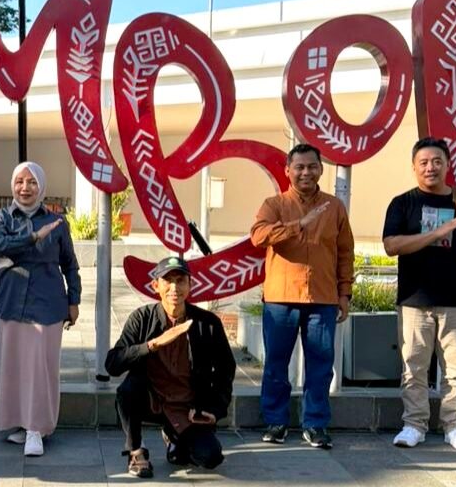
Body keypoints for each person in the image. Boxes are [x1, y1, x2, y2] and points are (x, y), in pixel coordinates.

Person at [382, 136, 456, 452]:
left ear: (448, 165)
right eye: (423, 162)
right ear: (413, 167)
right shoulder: (402, 203)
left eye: (437, 161)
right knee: (413, 366)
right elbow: (392, 245)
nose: (430, 167)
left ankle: (455, 426)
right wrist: (436, 233)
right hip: (414, 299)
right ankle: (414, 424)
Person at [249, 143, 354, 449]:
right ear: (288, 171)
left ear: (321, 169)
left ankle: (315, 424)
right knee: (276, 364)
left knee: (320, 365)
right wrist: (298, 225)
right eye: (299, 167)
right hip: (280, 299)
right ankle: (276, 422)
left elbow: (345, 253)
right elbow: (258, 236)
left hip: (322, 299)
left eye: (312, 166)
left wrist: (344, 293)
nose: (306, 172)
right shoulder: (274, 204)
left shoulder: (334, 207)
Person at [105, 256, 235, 478]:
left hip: (187, 408)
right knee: (127, 390)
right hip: (152, 401)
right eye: (168, 281)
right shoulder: (141, 318)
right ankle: (136, 451)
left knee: (210, 457)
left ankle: (174, 437)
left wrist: (215, 410)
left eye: (180, 281)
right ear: (156, 286)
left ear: (190, 285)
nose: (174, 288)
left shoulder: (207, 323)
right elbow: (113, 364)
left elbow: (226, 370)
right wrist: (152, 345)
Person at [0, 161, 80, 457]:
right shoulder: (1, 217)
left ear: (41, 187)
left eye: (32, 182)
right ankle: (21, 423)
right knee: (14, 366)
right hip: (12, 302)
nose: (25, 188)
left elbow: (70, 264)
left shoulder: (57, 222)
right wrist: (33, 238)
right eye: (19, 181)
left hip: (48, 304)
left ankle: (37, 429)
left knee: (41, 368)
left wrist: (74, 300)